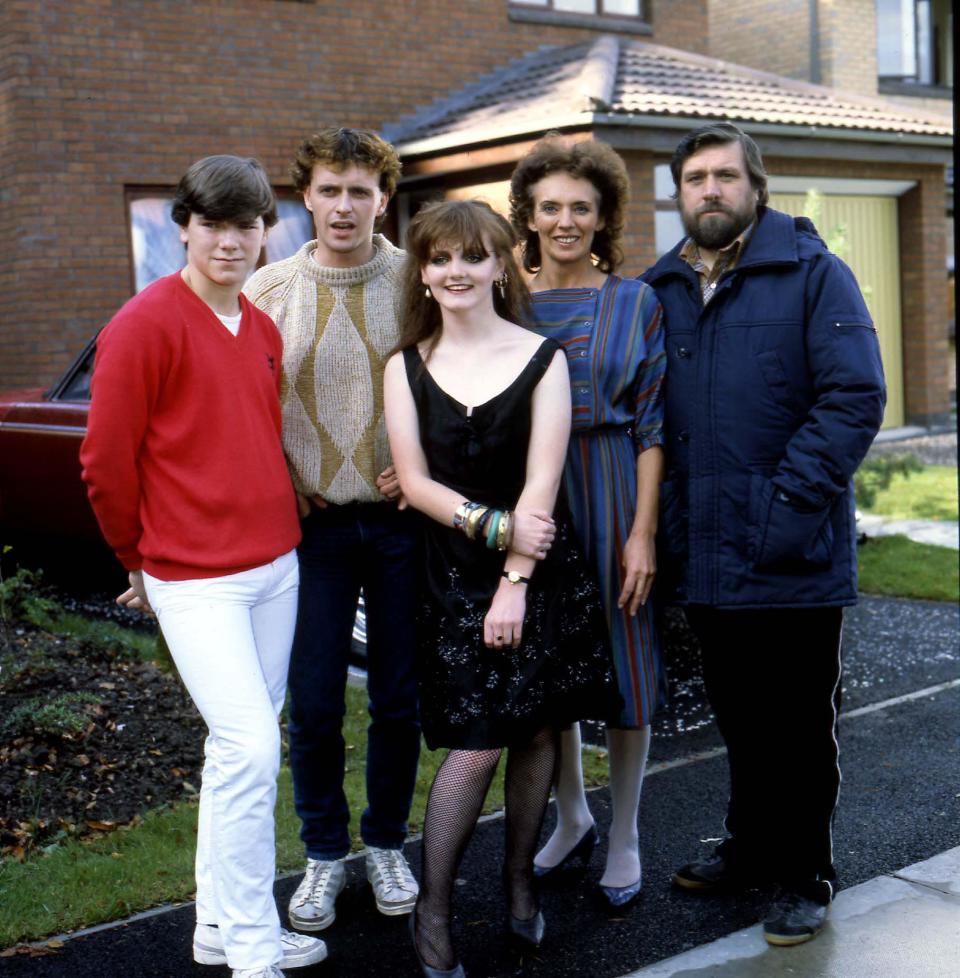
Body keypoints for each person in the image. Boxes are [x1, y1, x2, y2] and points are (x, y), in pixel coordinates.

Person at [80, 156, 327, 978]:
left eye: (247, 225)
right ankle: (255, 950)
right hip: (193, 577)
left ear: (266, 232)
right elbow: (104, 464)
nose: (231, 240)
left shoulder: (259, 328)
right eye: (214, 224)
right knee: (254, 747)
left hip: (275, 569)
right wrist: (136, 560)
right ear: (183, 227)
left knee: (237, 753)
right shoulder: (144, 324)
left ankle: (219, 926)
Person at [641, 121, 886, 946]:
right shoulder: (661, 288)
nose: (709, 190)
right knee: (739, 715)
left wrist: (785, 510)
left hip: (792, 548)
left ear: (755, 186)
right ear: (678, 194)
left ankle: (802, 873)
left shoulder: (815, 274)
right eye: (695, 179)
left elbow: (854, 398)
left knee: (797, 725)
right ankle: (750, 849)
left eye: (724, 177)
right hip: (705, 548)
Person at [384, 199, 620, 977]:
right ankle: (435, 906)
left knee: (540, 732)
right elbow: (414, 483)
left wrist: (516, 577)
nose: (456, 271)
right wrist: (495, 532)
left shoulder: (543, 357)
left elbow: (542, 483)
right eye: (441, 258)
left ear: (498, 264)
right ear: (423, 270)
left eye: (472, 256)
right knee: (477, 742)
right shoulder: (405, 365)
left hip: (539, 577)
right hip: (449, 579)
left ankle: (520, 882)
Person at [243, 128, 421, 932]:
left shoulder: (419, 281)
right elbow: (241, 408)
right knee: (312, 702)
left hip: (401, 525)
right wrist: (280, 476)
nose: (344, 205)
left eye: (360, 190)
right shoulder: (265, 290)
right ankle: (323, 854)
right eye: (329, 190)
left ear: (384, 197)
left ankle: (385, 842)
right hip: (308, 531)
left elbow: (458, 384)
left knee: (397, 697)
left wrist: (424, 470)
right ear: (304, 197)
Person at [508, 136, 667, 908]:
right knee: (550, 660)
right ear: (529, 216)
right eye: (550, 208)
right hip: (530, 493)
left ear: (602, 217)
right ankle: (571, 816)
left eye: (581, 207)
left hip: (608, 485)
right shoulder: (504, 297)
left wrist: (642, 532)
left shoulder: (635, 301)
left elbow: (653, 424)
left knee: (624, 654)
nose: (565, 221)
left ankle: (628, 829)